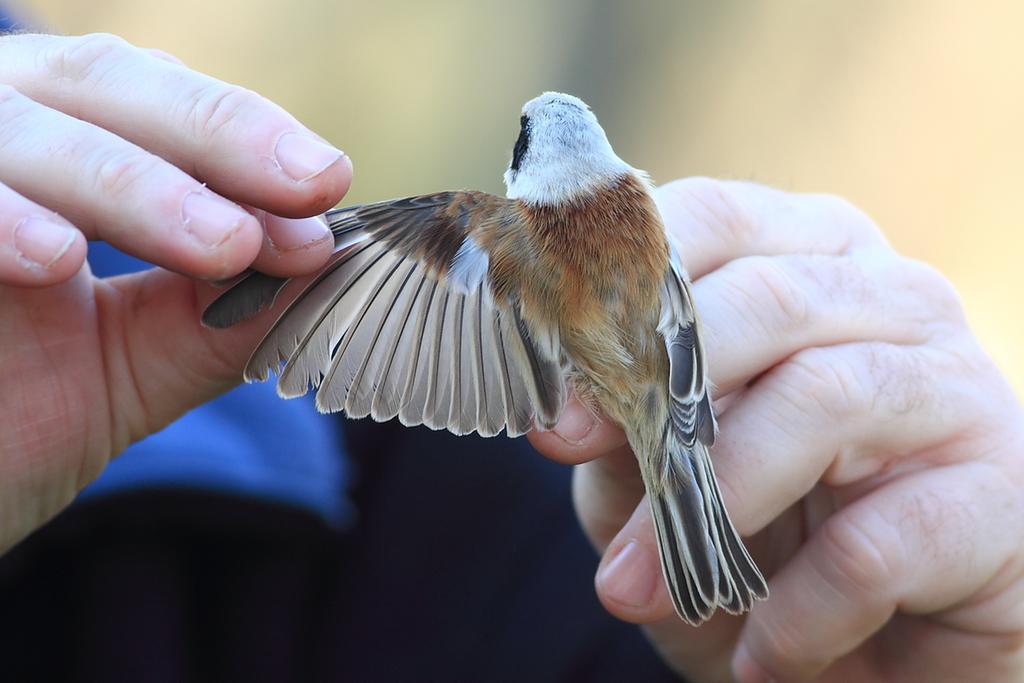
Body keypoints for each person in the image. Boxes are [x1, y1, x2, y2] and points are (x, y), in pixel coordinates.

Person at [0, 29, 1021, 683]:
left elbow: (332, 267)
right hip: (669, 390)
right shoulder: (630, 210)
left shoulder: (432, 524)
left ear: (529, 159)